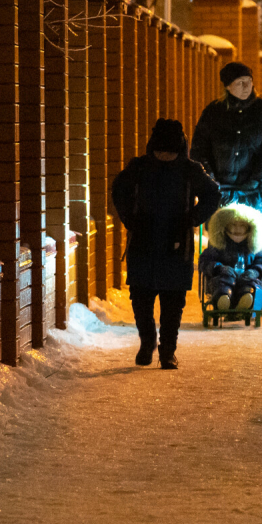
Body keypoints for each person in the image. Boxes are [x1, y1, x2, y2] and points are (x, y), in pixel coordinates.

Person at [112, 119, 220, 369]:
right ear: (152, 148)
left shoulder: (191, 170)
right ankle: (147, 340)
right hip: (143, 244)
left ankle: (168, 351)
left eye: (169, 153)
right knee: (140, 300)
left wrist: (192, 218)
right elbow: (119, 190)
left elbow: (212, 195)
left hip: (176, 246)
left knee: (173, 304)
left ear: (179, 149)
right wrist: (130, 219)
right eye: (160, 152)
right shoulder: (139, 168)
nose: (164, 156)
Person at [190, 62, 262, 228]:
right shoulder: (213, 112)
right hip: (221, 193)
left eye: (249, 81)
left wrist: (258, 180)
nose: (246, 86)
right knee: (220, 240)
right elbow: (200, 150)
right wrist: (210, 180)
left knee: (253, 241)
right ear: (228, 86)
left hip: (255, 193)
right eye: (240, 82)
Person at [198, 204, 262, 311]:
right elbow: (204, 261)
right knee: (221, 283)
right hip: (223, 278)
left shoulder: (252, 248)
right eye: (233, 225)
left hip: (246, 278)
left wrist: (255, 271)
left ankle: (247, 298)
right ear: (225, 226)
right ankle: (223, 299)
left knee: (251, 285)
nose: (237, 229)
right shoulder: (219, 246)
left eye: (242, 225)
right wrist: (218, 268)